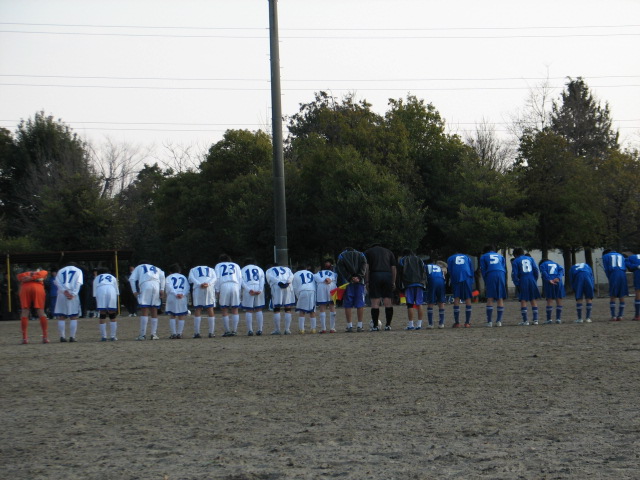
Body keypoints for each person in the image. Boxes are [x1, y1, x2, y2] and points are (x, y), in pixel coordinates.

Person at [129, 261, 165, 340]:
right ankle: (154, 334)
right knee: (154, 309)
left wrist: (134, 291)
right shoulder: (156, 268)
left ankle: (142, 335)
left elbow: (131, 279)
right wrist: (162, 289)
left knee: (144, 308)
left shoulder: (139, 267)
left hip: (145, 284)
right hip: (156, 284)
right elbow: (162, 276)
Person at [364, 243, 397, 330]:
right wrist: (393, 281)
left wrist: (367, 281)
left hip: (375, 275)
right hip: (387, 275)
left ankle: (375, 326)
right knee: (388, 301)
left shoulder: (368, 252)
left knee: (375, 302)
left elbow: (366, 267)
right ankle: (388, 325)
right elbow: (393, 267)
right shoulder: (389, 252)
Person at [336, 247, 368, 332]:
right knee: (360, 304)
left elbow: (341, 268)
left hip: (347, 283)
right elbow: (364, 265)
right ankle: (360, 325)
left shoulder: (342, 255)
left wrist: (350, 278)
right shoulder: (361, 254)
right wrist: (359, 277)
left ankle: (349, 325)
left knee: (348, 304)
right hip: (360, 282)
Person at [17, 267, 49, 344]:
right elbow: (44, 274)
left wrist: (29, 278)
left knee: (25, 311)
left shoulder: (24, 274)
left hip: (25, 288)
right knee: (40, 310)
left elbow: (20, 277)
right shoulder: (42, 272)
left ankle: (24, 338)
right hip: (38, 287)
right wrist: (35, 278)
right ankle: (45, 337)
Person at [396, 249, 426, 330]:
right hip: (419, 283)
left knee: (410, 304)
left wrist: (399, 286)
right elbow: (424, 270)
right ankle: (419, 324)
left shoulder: (403, 260)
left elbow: (399, 273)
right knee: (419, 304)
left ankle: (411, 324)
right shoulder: (420, 259)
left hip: (408, 284)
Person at [54, 262, 84, 342]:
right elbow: (78, 283)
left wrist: (64, 291)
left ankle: (62, 337)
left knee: (61, 316)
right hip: (72, 293)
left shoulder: (61, 271)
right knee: (73, 316)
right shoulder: (78, 271)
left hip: (61, 294)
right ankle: (72, 337)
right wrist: (73, 294)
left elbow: (57, 282)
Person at [511, 248, 540, 325]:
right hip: (532, 279)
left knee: (523, 300)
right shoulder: (530, 259)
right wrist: (535, 279)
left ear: (515, 255)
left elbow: (514, 274)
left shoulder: (515, 261)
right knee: (533, 299)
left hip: (523, 279)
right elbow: (536, 270)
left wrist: (517, 283)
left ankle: (525, 320)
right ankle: (535, 320)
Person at [215, 254, 242, 336]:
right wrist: (239, 289)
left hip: (224, 285)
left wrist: (217, 290)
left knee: (224, 309)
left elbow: (217, 278)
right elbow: (240, 278)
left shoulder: (218, 265)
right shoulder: (236, 265)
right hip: (235, 285)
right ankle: (234, 330)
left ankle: (227, 331)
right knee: (235, 308)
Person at [479, 245, 507, 327]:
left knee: (490, 297)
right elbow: (503, 267)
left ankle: (489, 321)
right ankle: (499, 321)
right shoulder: (501, 256)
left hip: (491, 273)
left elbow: (483, 269)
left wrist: (486, 280)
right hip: (501, 273)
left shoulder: (483, 257)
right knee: (500, 297)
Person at [188, 264, 217, 338]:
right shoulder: (211, 269)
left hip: (198, 288)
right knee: (210, 308)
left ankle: (197, 333)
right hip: (209, 288)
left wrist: (199, 284)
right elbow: (215, 278)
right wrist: (208, 283)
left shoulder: (193, 269)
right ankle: (211, 332)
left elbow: (191, 279)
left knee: (198, 308)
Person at [446, 252, 475, 328]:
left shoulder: (450, 258)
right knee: (468, 298)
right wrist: (471, 280)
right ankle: (467, 322)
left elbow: (449, 270)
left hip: (456, 276)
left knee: (456, 298)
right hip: (466, 276)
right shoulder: (467, 257)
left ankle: (457, 322)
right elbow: (471, 269)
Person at [266, 263, 295, 335]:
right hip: (287, 286)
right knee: (287, 308)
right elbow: (291, 276)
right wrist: (287, 282)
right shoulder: (287, 269)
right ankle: (287, 329)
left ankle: (277, 329)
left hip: (277, 287)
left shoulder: (269, 270)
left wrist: (279, 282)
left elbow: (271, 278)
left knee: (277, 308)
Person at [93, 267, 120, 341]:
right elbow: (117, 290)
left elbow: (94, 292)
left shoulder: (97, 278)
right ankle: (113, 336)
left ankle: (103, 336)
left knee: (102, 313)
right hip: (111, 290)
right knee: (112, 314)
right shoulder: (112, 277)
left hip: (100, 290)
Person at [240, 258, 266, 336]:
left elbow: (242, 281)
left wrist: (249, 290)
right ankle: (260, 330)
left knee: (249, 310)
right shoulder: (259, 269)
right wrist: (260, 290)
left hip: (248, 288)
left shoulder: (242, 270)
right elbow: (262, 280)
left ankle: (250, 330)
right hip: (258, 287)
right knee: (259, 309)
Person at [602, 249, 628, 321]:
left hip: (613, 274)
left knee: (613, 295)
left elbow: (606, 269)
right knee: (621, 295)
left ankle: (613, 316)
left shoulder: (605, 256)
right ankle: (620, 316)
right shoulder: (621, 255)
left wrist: (609, 278)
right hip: (622, 274)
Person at [165, 264, 190, 339]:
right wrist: (182, 294)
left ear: (170, 271)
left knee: (172, 315)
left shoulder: (169, 277)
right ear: (179, 271)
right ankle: (179, 333)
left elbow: (169, 286)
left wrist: (175, 293)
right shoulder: (183, 277)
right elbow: (187, 287)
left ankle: (173, 334)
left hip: (172, 296)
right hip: (182, 297)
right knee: (181, 315)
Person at [539, 258, 566, 324]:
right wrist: (558, 278)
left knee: (549, 300)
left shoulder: (542, 265)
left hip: (549, 283)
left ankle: (549, 319)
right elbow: (562, 270)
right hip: (558, 282)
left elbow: (544, 273)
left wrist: (549, 279)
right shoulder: (556, 264)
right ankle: (558, 319)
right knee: (559, 299)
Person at [314, 259, 338, 333]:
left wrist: (324, 280)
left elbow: (316, 278)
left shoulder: (318, 273)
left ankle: (323, 328)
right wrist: (329, 280)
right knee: (332, 306)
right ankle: (332, 328)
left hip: (321, 286)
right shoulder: (334, 273)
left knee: (322, 306)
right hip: (332, 286)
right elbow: (334, 279)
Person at [292, 265, 317, 333]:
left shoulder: (295, 274)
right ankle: (313, 329)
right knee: (312, 310)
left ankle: (301, 329)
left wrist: (298, 296)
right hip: (312, 290)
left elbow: (294, 287)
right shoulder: (311, 273)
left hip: (302, 290)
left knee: (302, 310)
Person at [425, 260, 446, 329]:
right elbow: (444, 273)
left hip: (432, 280)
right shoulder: (439, 268)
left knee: (430, 302)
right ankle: (441, 323)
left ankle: (431, 323)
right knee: (441, 301)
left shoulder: (427, 266)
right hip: (441, 281)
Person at [625, 252, 640, 321]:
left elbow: (628, 265)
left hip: (638, 275)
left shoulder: (630, 258)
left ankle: (637, 315)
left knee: (638, 294)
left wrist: (636, 266)